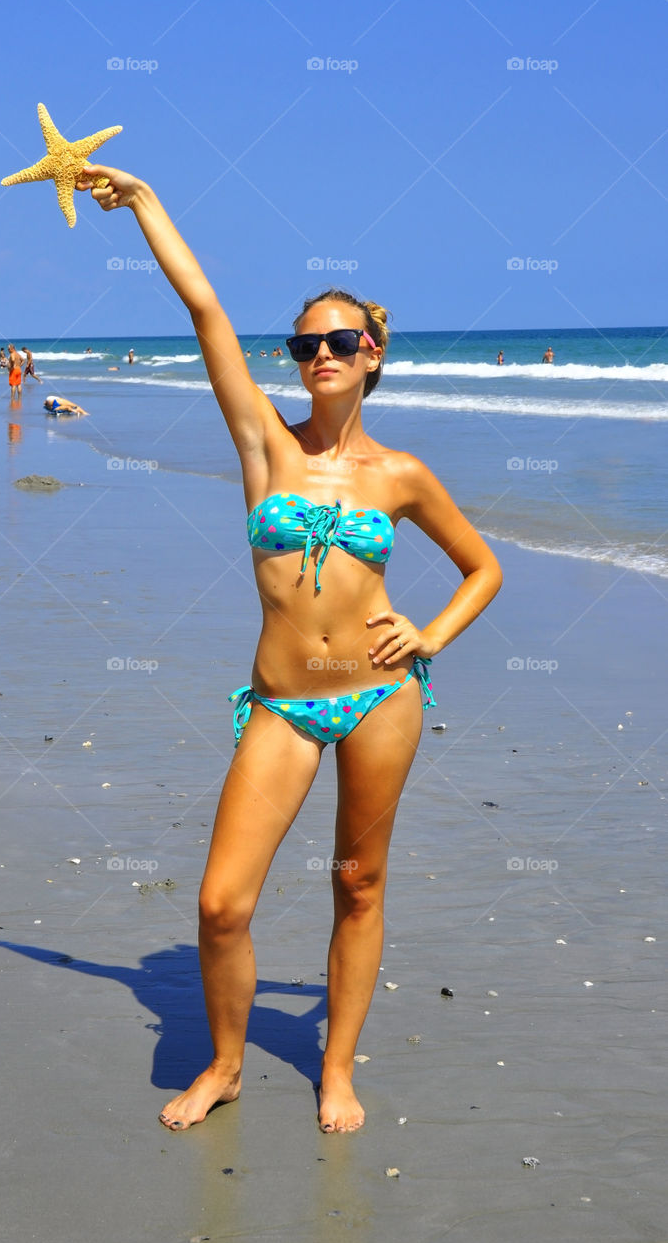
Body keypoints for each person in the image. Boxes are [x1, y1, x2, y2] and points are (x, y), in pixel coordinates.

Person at [77, 162, 502, 1136]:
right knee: (222, 903)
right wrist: (145, 202)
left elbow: (482, 569)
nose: (319, 352)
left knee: (358, 882)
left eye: (339, 340)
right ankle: (226, 1062)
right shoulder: (265, 444)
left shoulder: (402, 475)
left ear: (374, 352)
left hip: (380, 697)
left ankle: (336, 1067)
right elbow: (204, 307)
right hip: (280, 701)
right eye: (305, 341)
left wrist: (429, 631)